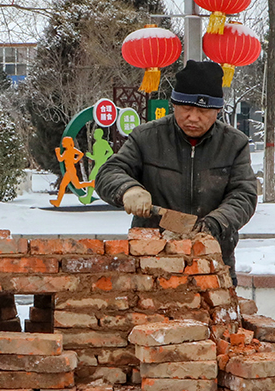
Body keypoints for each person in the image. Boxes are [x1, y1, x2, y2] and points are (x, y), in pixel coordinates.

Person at [95, 59, 257, 278]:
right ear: (173, 104)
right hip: (151, 258)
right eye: (186, 108)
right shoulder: (146, 137)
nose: (192, 117)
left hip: (212, 259)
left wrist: (213, 225)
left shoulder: (234, 144)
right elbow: (109, 173)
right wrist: (128, 189)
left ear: (218, 110)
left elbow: (244, 195)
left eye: (202, 111)